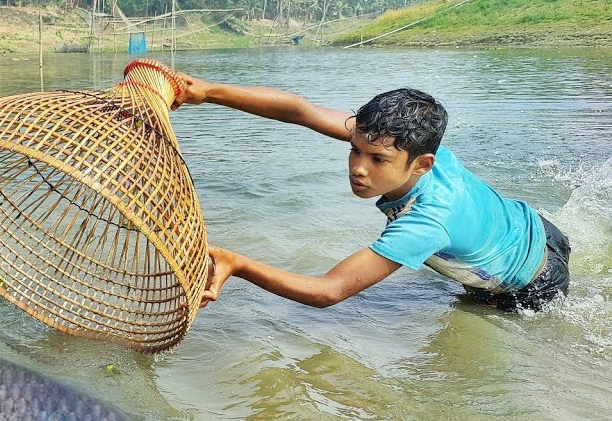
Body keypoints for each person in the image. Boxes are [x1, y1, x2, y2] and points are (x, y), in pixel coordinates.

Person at [172, 76, 570, 312]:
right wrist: (206, 92)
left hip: (531, 285)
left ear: (422, 164)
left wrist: (238, 264)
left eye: (376, 160)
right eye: (354, 149)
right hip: (535, 226)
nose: (358, 168)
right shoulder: (415, 144)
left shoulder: (426, 222)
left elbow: (329, 291)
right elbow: (301, 111)